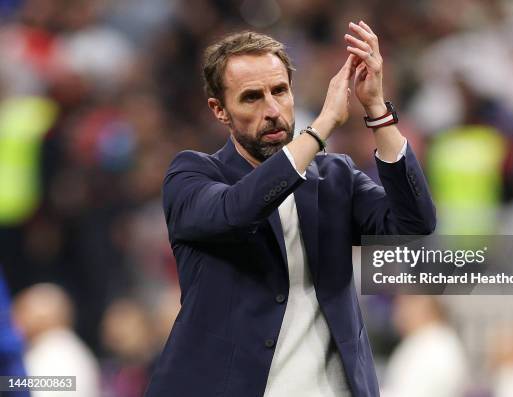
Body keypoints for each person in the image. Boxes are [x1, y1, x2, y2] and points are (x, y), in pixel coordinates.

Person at [145, 21, 436, 397]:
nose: (272, 109)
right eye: (251, 97)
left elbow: (413, 224)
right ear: (219, 110)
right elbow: (238, 212)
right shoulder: (192, 174)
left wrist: (377, 109)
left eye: (280, 91)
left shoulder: (335, 177)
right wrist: (320, 129)